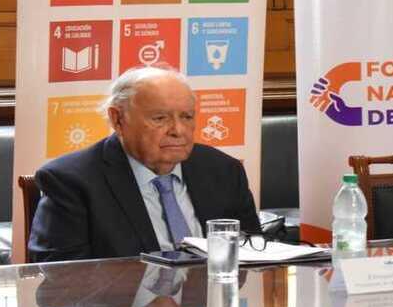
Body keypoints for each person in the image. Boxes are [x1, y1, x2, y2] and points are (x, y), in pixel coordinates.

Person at [28, 66, 261, 262]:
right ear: (118, 119)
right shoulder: (72, 181)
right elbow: (61, 277)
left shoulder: (223, 171)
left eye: (187, 117)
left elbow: (254, 253)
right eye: (160, 118)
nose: (178, 130)